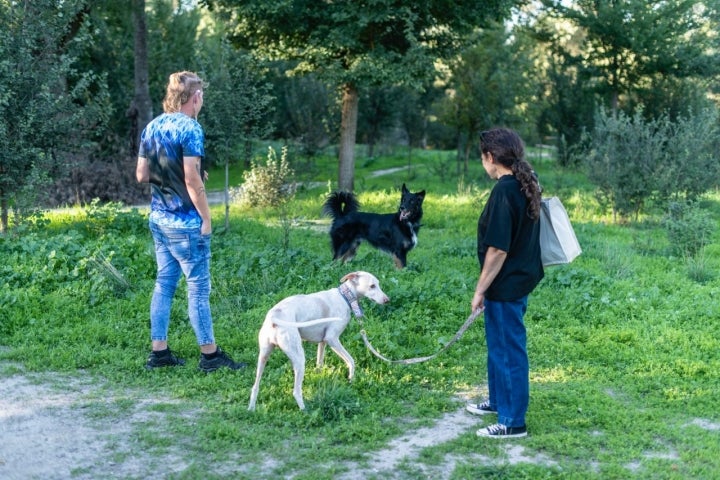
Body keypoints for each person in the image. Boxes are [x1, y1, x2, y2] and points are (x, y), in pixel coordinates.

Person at [136, 71, 246, 373]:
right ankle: (210, 356)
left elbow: (142, 175)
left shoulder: (152, 126)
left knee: (164, 284)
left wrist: (177, 178)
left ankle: (159, 353)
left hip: (159, 220)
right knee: (197, 289)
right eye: (202, 97)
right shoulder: (191, 128)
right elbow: (190, 178)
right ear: (195, 98)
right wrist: (206, 218)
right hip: (186, 226)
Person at [466, 128, 544, 438]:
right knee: (498, 345)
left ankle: (513, 422)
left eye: (481, 157)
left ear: (490, 158)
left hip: (506, 284)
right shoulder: (523, 184)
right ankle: (500, 401)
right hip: (515, 281)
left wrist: (480, 290)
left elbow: (498, 250)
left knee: (508, 350)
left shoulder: (504, 191)